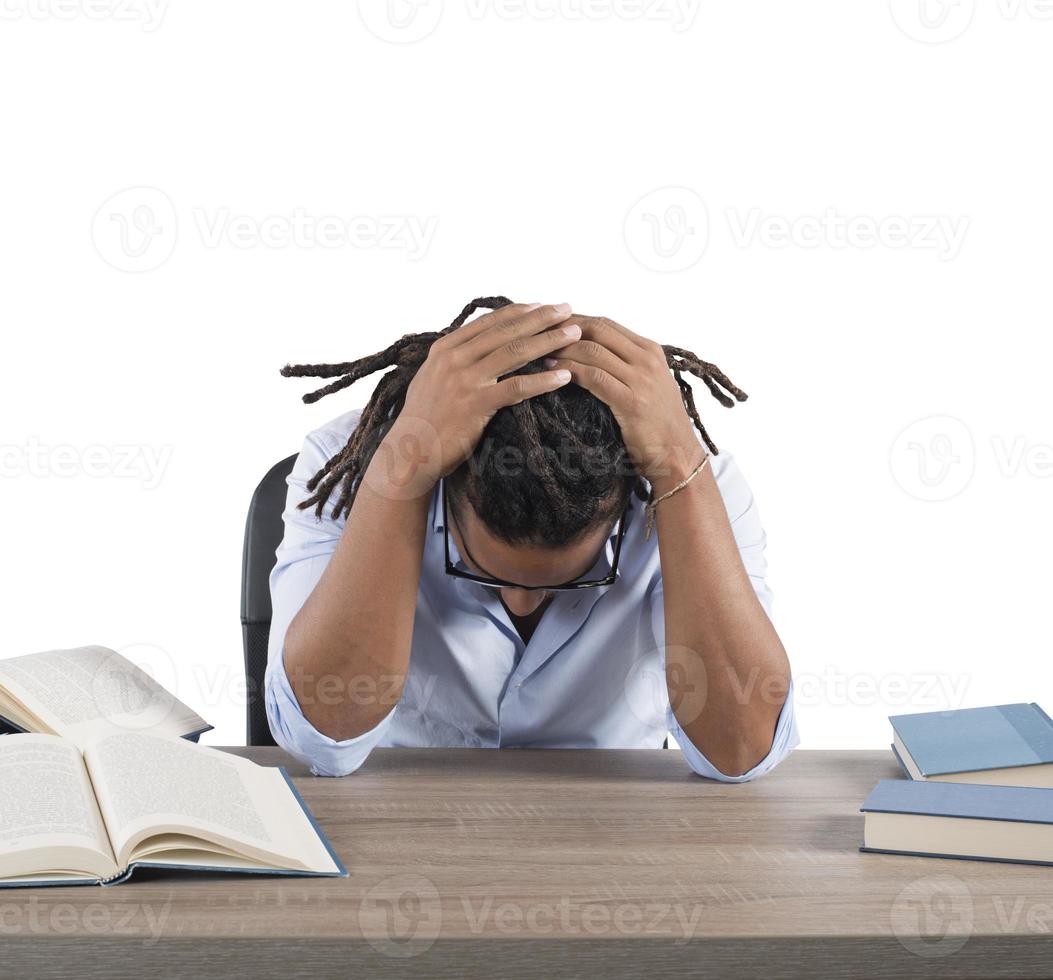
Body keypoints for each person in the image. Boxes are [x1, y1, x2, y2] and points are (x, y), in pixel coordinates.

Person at [265, 297, 797, 779]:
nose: (522, 601)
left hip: (614, 834)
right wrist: (403, 473)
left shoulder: (692, 484)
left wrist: (680, 467)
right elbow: (322, 740)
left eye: (570, 582)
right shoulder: (356, 466)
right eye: (484, 570)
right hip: (395, 826)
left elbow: (741, 751)